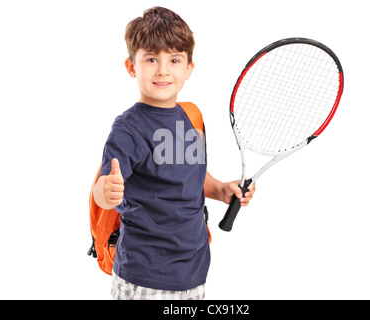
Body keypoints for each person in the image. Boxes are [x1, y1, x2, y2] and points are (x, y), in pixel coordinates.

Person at [92, 6, 255, 300]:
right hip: (144, 274)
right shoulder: (128, 129)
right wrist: (107, 191)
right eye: (151, 58)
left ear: (189, 68)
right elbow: (103, 191)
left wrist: (219, 190)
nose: (163, 69)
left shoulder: (192, 117)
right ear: (132, 67)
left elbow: (188, 174)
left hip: (193, 270)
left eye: (174, 59)